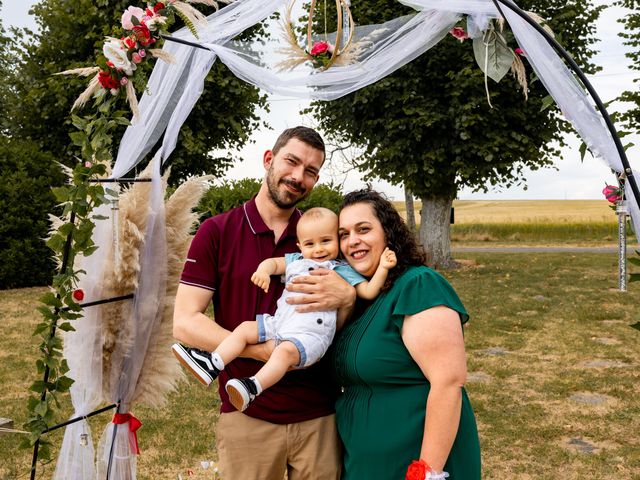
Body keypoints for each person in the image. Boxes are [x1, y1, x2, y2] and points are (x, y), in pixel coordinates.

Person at [172, 126, 355, 480]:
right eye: (292, 161)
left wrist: (346, 297)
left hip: (320, 413)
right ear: (269, 159)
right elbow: (185, 322)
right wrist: (261, 353)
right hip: (247, 415)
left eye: (312, 171)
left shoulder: (321, 240)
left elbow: (341, 324)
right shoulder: (217, 231)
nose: (299, 177)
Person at [172, 207, 397, 412]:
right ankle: (213, 363)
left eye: (326, 241)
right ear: (299, 246)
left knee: (283, 352)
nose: (318, 249)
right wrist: (262, 270)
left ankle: (252, 387)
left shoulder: (340, 268)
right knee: (243, 329)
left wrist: (384, 268)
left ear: (337, 241)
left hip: (310, 335)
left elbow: (368, 291)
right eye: (310, 244)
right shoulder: (296, 259)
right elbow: (273, 263)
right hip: (280, 322)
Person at [332, 188, 481, 480]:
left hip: (414, 462)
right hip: (366, 464)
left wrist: (428, 473)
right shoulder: (363, 296)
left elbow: (448, 383)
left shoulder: (418, 285)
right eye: (343, 234)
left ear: (388, 233)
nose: (353, 241)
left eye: (363, 229)